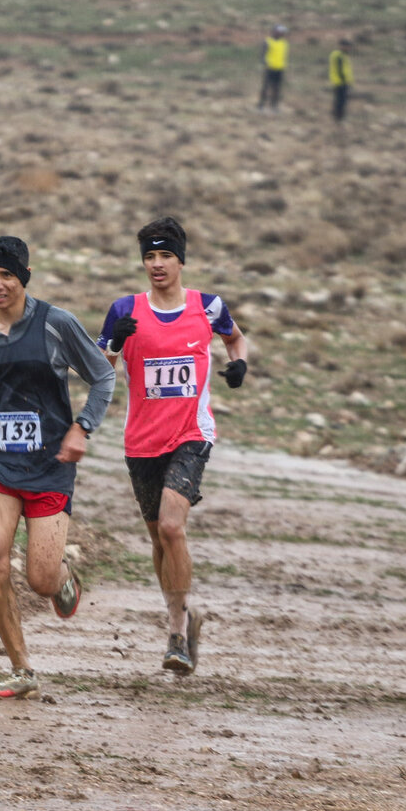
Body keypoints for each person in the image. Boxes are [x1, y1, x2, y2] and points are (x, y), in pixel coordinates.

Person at [0, 236, 115, 700]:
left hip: (51, 465)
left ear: (24, 279)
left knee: (39, 579)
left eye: (6, 276)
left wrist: (82, 429)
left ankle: (62, 578)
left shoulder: (56, 324)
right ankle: (20, 668)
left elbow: (104, 376)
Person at [96, 216, 248, 676]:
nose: (157, 264)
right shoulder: (125, 310)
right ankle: (184, 619)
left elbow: (235, 339)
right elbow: (98, 366)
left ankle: (177, 634)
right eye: (149, 256)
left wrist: (238, 364)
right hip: (141, 440)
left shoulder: (207, 306)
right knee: (158, 540)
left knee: (171, 528)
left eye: (166, 255)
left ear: (181, 260)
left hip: (191, 434)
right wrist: (113, 345)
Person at [257, 24, 288, 112]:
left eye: (282, 32)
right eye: (280, 32)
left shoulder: (284, 43)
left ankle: (274, 105)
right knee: (266, 87)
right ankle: (261, 105)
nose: (282, 34)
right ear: (274, 32)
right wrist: (265, 62)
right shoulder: (268, 41)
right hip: (270, 68)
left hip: (280, 68)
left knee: (277, 88)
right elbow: (263, 54)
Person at [329, 39, 354, 123]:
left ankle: (338, 116)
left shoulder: (342, 55)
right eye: (347, 46)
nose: (348, 48)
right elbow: (340, 70)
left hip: (339, 81)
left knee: (339, 100)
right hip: (340, 82)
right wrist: (345, 81)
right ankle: (338, 117)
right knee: (341, 101)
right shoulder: (339, 55)